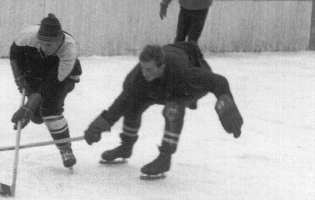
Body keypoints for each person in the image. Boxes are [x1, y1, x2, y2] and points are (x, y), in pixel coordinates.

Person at [83, 42, 243, 177]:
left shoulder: (184, 74)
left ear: (162, 67)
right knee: (132, 103)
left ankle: (165, 157)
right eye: (143, 68)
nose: (145, 73)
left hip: (182, 87)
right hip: (158, 88)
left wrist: (228, 110)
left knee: (173, 110)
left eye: (149, 69)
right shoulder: (138, 78)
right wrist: (96, 128)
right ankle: (126, 147)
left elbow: (219, 82)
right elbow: (120, 105)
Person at [9, 13, 82, 168]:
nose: (43, 47)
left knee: (50, 109)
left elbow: (52, 85)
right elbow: (14, 55)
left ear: (59, 39)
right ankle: (35, 112)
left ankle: (65, 149)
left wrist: (29, 106)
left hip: (62, 76)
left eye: (48, 45)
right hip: (36, 72)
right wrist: (19, 78)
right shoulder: (28, 36)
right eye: (41, 43)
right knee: (37, 117)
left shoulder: (69, 49)